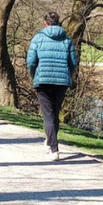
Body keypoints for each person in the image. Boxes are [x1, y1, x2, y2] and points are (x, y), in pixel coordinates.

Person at [26, 12, 78, 161]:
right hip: (61, 81)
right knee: (54, 113)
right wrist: (67, 73)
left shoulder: (38, 38)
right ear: (59, 23)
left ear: (45, 23)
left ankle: (54, 149)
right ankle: (50, 140)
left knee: (48, 115)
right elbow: (73, 62)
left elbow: (31, 62)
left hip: (43, 80)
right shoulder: (66, 40)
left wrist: (34, 74)